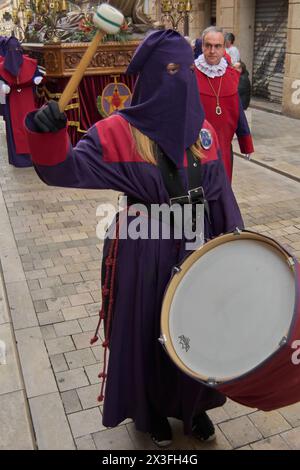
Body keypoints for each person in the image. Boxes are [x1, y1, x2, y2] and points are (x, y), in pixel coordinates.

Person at [25, 29, 244, 447]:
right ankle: (154, 412)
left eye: (186, 68)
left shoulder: (205, 136)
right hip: (145, 254)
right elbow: (61, 170)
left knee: (200, 330)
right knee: (150, 332)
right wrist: (47, 135)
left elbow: (221, 198)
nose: (179, 81)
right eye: (170, 71)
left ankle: (193, 406)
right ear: (149, 78)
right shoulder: (118, 132)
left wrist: (236, 246)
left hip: (198, 250)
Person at [195, 26, 254, 182]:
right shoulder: (190, 74)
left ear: (224, 48)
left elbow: (238, 112)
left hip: (224, 151)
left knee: (222, 193)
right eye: (208, 45)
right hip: (196, 151)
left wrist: (246, 143)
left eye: (217, 46)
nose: (212, 50)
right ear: (202, 47)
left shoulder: (232, 76)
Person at [0, 36, 43, 167]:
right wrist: (1, 87)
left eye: (17, 49)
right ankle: (19, 159)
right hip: (11, 101)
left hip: (28, 99)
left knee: (30, 125)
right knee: (15, 128)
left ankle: (34, 157)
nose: (14, 52)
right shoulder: (1, 67)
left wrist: (37, 78)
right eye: (12, 49)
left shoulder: (30, 63)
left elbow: (37, 75)